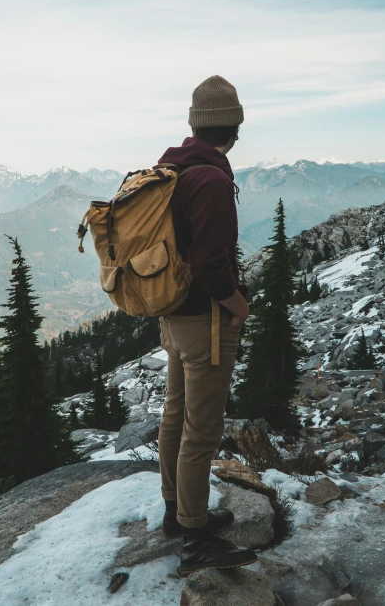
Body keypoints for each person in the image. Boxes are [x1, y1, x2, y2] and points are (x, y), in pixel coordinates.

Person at [157, 75, 257, 576]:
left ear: (196, 124)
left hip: (172, 314)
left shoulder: (172, 167)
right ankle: (197, 539)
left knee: (175, 417)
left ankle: (178, 512)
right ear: (233, 126)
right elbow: (211, 263)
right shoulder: (212, 179)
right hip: (205, 320)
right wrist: (238, 305)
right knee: (201, 432)